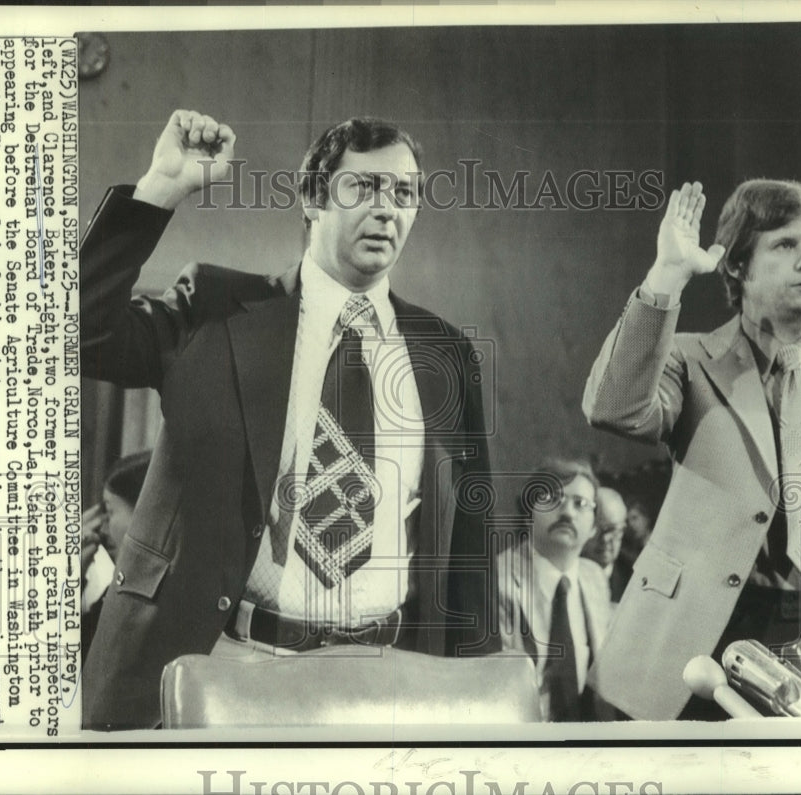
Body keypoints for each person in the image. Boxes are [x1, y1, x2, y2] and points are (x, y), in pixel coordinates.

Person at [80, 110, 496, 729]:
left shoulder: (444, 352)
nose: (389, 210)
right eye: (364, 188)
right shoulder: (217, 310)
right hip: (221, 666)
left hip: (380, 684)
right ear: (311, 197)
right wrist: (159, 190)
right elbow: (76, 332)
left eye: (405, 193)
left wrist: (477, 701)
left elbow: (469, 538)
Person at [582, 180, 801, 720]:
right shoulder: (690, 361)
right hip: (697, 646)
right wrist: (667, 275)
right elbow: (612, 407)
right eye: (785, 245)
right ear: (737, 266)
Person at [496, 458, 612, 721]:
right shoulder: (496, 579)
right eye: (552, 497)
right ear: (528, 511)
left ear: (594, 526)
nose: (568, 513)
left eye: (580, 504)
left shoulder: (594, 578)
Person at [80, 451, 152, 660]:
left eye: (109, 512)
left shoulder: (129, 605)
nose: (100, 529)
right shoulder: (121, 592)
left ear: (143, 513)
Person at [581, 486, 632, 602]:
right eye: (598, 529)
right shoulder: (566, 570)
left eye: (613, 530)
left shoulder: (633, 575)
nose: (605, 538)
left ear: (623, 531)